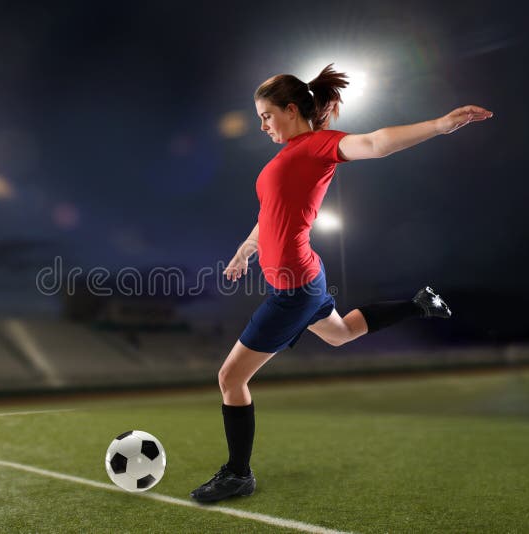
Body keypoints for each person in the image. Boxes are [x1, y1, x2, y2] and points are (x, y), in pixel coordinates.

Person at [189, 64, 492, 503]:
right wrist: (246, 248)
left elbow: (375, 143)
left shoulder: (318, 146)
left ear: (291, 110)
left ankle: (238, 475)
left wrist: (440, 125)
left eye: (267, 115)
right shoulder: (286, 157)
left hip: (294, 290)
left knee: (230, 378)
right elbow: (270, 215)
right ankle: (419, 304)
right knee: (342, 333)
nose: (262, 125)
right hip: (306, 279)